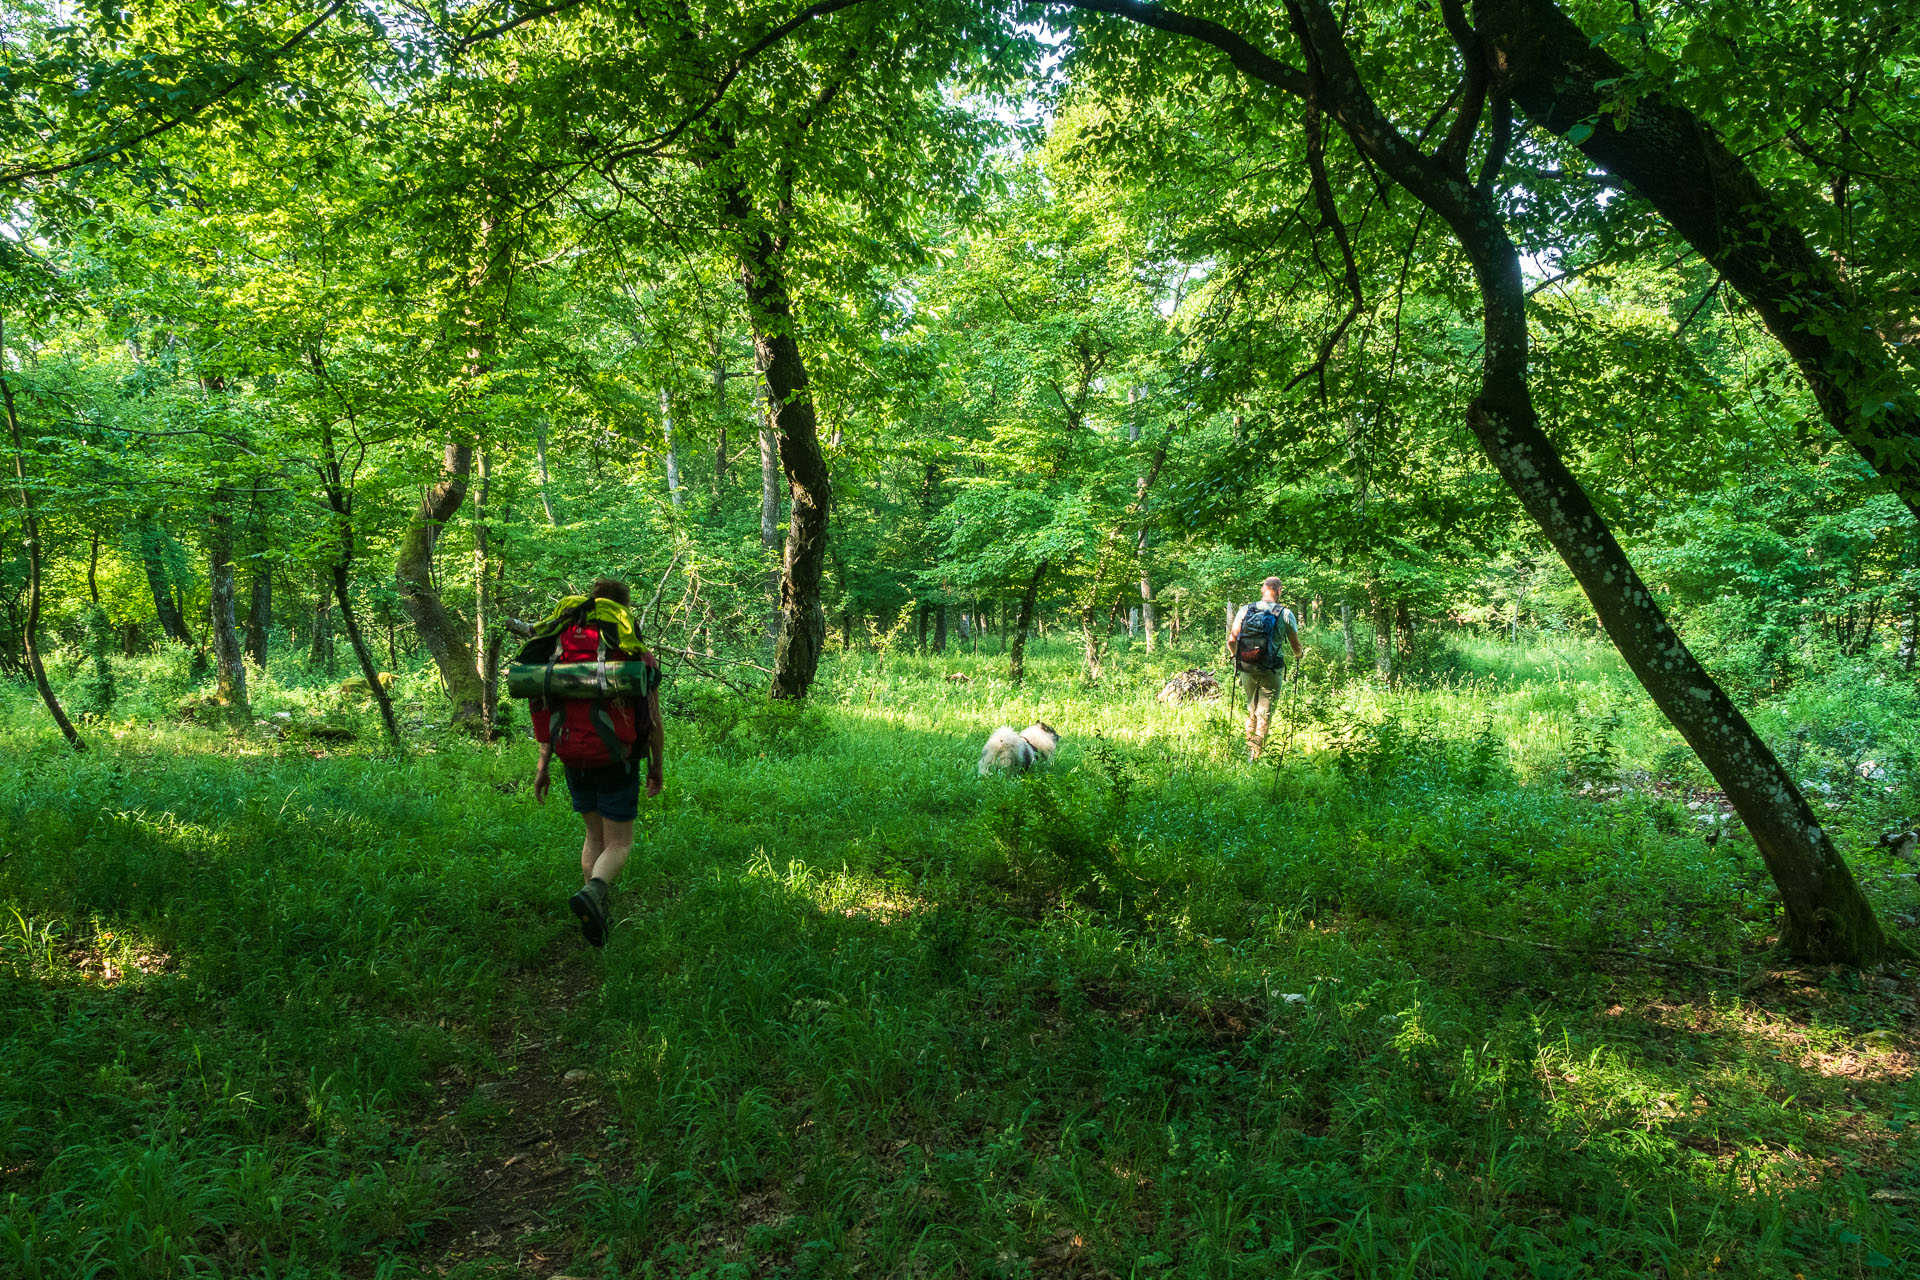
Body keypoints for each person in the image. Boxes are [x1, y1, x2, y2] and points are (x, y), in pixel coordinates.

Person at [527, 577, 664, 946]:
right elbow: (652, 721)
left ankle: (595, 916)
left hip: (572, 755)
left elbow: (543, 709)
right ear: (623, 610)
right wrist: (656, 766)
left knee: (594, 835)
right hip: (616, 758)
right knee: (619, 843)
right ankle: (594, 894)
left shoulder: (560, 653)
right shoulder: (632, 653)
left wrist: (543, 766)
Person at [1228, 576, 1304, 761]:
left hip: (1246, 666)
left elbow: (1231, 640)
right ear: (1279, 591)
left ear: (1263, 590)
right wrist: (1299, 655)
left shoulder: (1245, 610)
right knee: (1265, 713)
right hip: (1271, 668)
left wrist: (1235, 656)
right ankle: (1254, 757)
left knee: (1251, 709)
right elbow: (1295, 646)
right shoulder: (1285, 614)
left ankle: (1250, 750)